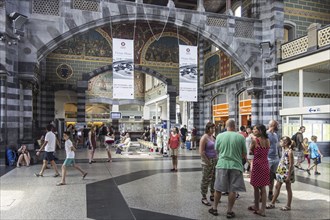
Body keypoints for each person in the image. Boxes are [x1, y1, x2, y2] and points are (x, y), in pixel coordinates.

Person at [209, 119, 246, 218]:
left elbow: (217, 150)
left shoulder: (219, 136)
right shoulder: (241, 137)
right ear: (235, 126)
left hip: (222, 165)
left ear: (226, 126)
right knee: (232, 190)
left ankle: (215, 208)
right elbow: (244, 154)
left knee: (218, 188)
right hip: (236, 166)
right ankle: (229, 211)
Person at [266, 136, 295, 211]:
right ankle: (272, 203)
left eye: (281, 141)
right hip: (281, 170)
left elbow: (291, 164)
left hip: (287, 172)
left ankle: (288, 205)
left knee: (288, 187)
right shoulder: (283, 149)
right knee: (277, 186)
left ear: (285, 143)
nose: (280, 142)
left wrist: (288, 176)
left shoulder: (289, 151)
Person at [248, 124, 270, 217]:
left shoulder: (255, 140)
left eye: (255, 129)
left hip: (257, 165)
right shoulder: (268, 140)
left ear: (260, 131)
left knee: (256, 187)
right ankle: (261, 208)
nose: (253, 131)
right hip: (265, 164)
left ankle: (258, 207)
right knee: (263, 188)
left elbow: (250, 151)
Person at [199, 122, 218, 206]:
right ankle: (204, 197)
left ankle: (212, 194)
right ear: (208, 128)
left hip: (214, 160)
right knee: (205, 179)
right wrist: (207, 162)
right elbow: (201, 152)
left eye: (214, 128)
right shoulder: (204, 138)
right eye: (212, 128)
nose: (213, 130)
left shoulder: (212, 137)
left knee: (213, 178)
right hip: (207, 161)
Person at [266, 119, 280, 201]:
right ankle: (262, 194)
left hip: (276, 158)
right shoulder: (266, 134)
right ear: (273, 125)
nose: (278, 127)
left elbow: (276, 146)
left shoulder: (275, 134)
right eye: (277, 125)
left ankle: (270, 193)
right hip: (268, 158)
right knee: (266, 176)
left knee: (272, 177)